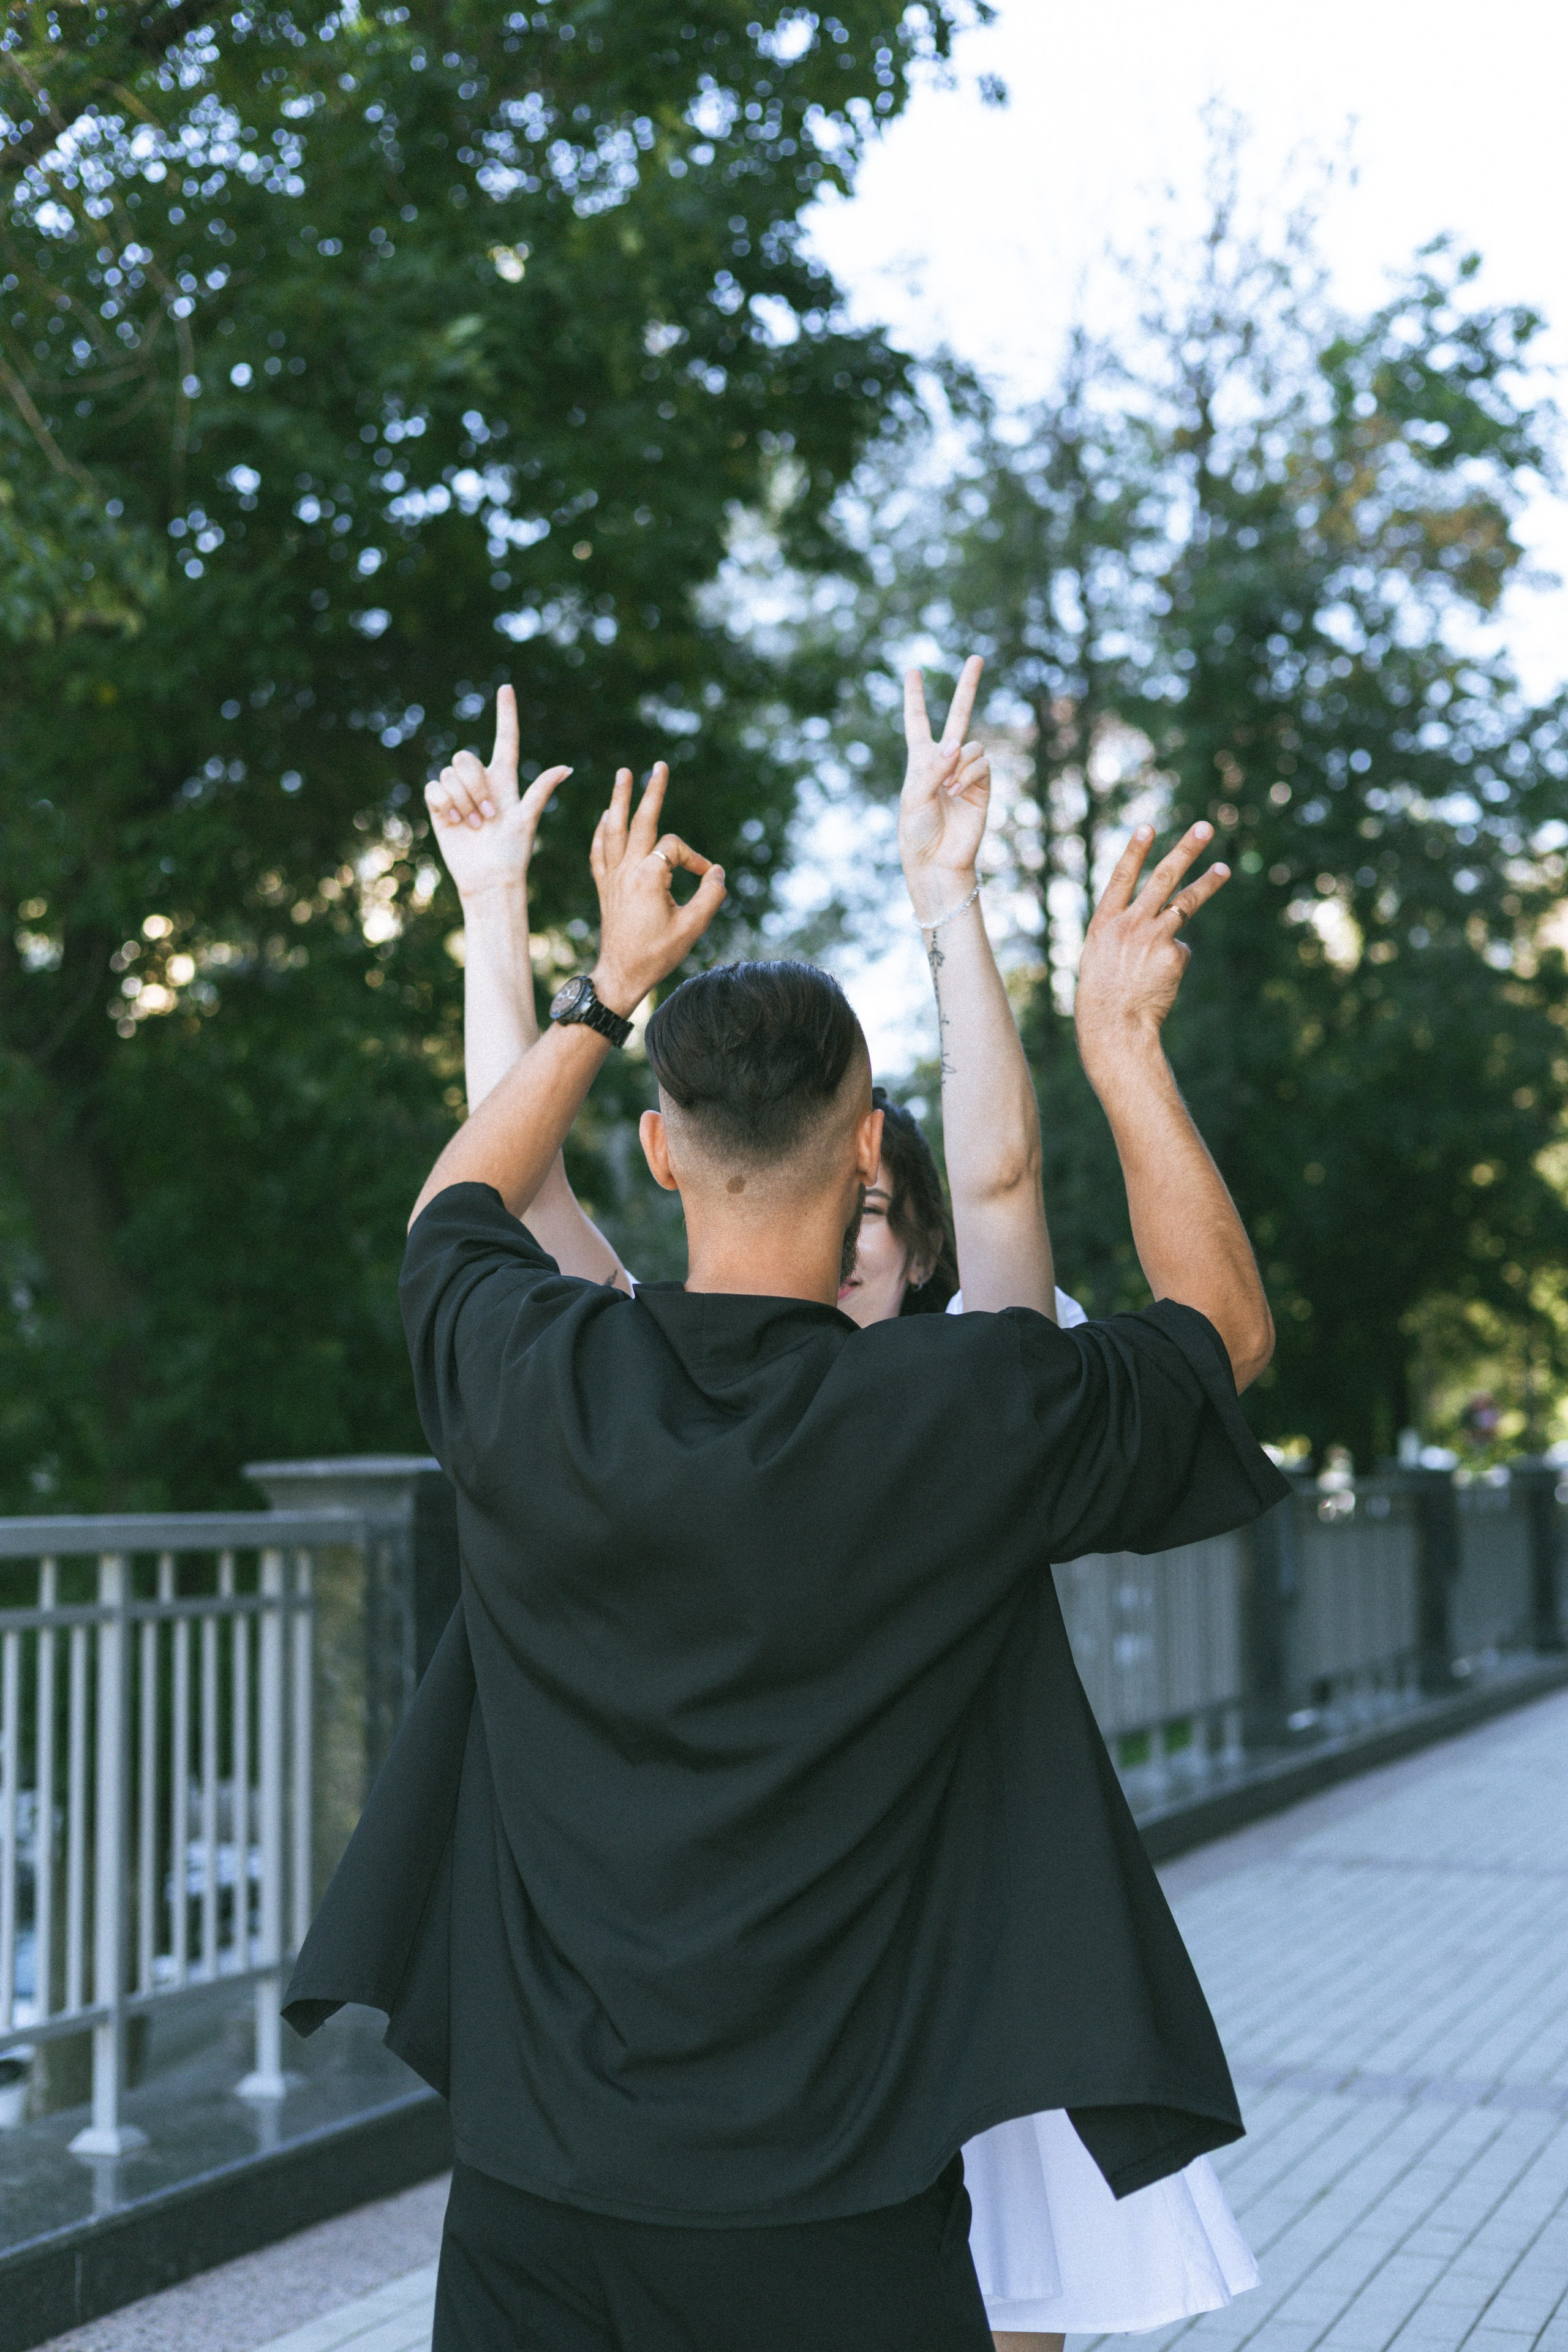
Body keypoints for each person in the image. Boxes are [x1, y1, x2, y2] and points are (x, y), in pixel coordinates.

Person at [287, 687, 1286, 2352]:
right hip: (831, 2209)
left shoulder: (539, 1380)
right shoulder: (964, 1420)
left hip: (540, 2200)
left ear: (663, 1159)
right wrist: (1118, 1039)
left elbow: (465, 1199)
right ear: (868, 1135)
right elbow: (1223, 1338)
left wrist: (601, 990)